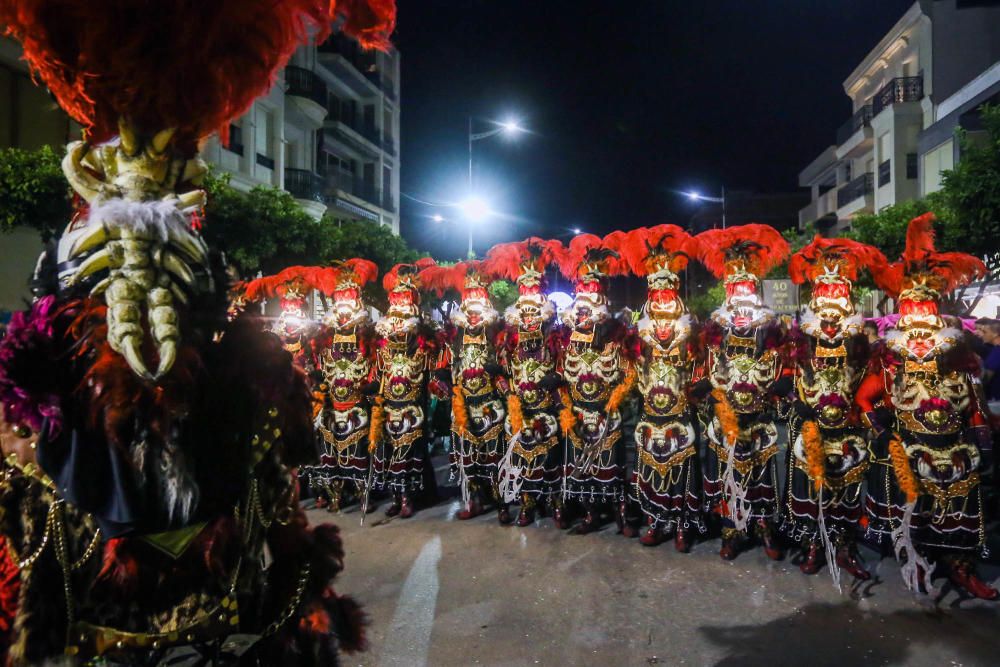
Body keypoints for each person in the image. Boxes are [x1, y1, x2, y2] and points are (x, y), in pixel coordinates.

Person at [0, 1, 394, 661]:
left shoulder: (234, 389)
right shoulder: (51, 408)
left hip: (222, 601)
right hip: (96, 597)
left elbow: (280, 488)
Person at [856, 213, 996, 599]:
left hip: (955, 449)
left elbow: (974, 401)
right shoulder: (889, 357)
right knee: (914, 514)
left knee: (960, 515)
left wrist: (982, 437)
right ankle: (916, 565)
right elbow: (864, 398)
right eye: (912, 311)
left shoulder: (958, 355)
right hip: (909, 448)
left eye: (926, 311)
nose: (919, 322)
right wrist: (881, 430)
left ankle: (961, 569)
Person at [784, 237, 887, 583]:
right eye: (824, 299)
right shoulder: (799, 345)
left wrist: (869, 411)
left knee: (846, 492)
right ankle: (813, 544)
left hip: (847, 431)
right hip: (812, 428)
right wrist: (795, 401)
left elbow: (872, 386)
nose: (830, 314)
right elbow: (785, 378)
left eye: (838, 299)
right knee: (811, 489)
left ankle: (844, 547)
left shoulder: (863, 349)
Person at [695, 224, 791, 561]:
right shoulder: (715, 329)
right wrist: (706, 388)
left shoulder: (772, 329)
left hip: (760, 415)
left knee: (762, 472)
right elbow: (704, 365)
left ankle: (765, 527)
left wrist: (785, 384)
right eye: (735, 287)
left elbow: (789, 361)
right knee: (727, 474)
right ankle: (731, 529)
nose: (741, 294)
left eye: (746, 286)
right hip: (726, 414)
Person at [619, 225, 705, 550]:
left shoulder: (689, 330)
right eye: (656, 304)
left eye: (668, 304)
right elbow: (630, 364)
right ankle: (657, 519)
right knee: (651, 463)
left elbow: (702, 366)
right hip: (651, 410)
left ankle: (683, 523)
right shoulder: (640, 335)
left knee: (681, 465)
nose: (662, 315)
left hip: (680, 411)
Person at [555, 233, 639, 535]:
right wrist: (563, 396)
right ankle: (589, 514)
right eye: (580, 305)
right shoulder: (566, 338)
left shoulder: (617, 334)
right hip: (577, 411)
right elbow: (560, 372)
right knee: (581, 466)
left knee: (612, 465)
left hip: (608, 412)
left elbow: (631, 373)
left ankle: (621, 514)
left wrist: (616, 398)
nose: (582, 312)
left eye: (589, 305)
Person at [422, 261, 511, 523]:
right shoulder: (453, 338)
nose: (473, 314)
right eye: (468, 306)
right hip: (462, 406)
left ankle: (502, 501)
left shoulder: (499, 336)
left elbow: (511, 368)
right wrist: (440, 379)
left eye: (478, 304)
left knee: (495, 456)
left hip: (491, 404)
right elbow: (443, 368)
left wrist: (501, 372)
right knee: (466, 458)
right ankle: (474, 500)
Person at [487, 238, 566, 526]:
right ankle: (526, 503)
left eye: (535, 309)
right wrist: (506, 389)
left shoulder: (556, 337)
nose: (530, 315)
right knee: (521, 458)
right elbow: (501, 375)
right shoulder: (508, 339)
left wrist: (557, 378)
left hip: (548, 409)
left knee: (552, 458)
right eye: (526, 309)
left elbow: (567, 368)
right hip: (519, 409)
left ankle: (556, 502)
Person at [371, 259, 446, 518]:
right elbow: (377, 373)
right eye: (396, 299)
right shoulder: (382, 347)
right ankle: (396, 496)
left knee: (410, 451)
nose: (399, 306)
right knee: (390, 453)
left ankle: (410, 497)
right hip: (389, 406)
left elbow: (437, 368)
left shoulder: (425, 345)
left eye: (405, 300)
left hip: (413, 407)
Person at [307, 259, 380, 512]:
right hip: (331, 403)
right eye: (340, 302)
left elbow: (375, 368)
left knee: (357, 451)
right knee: (329, 451)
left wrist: (370, 386)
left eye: (349, 302)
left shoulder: (368, 338)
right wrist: (317, 379)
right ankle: (334, 493)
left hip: (356, 404)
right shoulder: (323, 340)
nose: (344, 309)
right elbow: (317, 364)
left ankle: (362, 493)